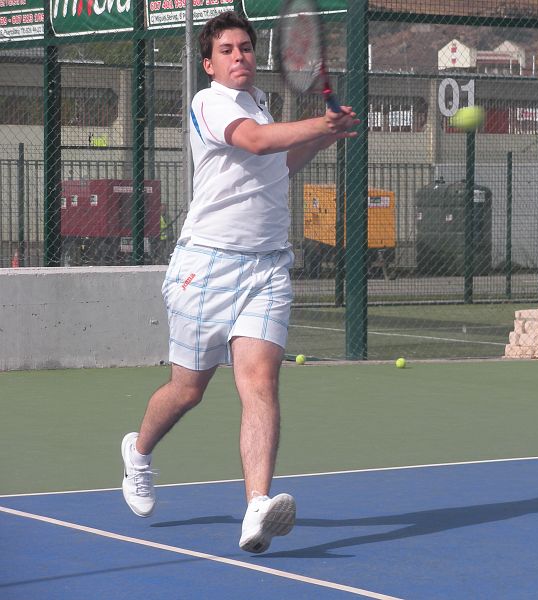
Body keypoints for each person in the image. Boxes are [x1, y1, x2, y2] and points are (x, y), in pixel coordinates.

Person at [120, 10, 359, 554]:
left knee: (260, 382)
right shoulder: (210, 104)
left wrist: (323, 139)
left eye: (246, 48)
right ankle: (138, 451)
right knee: (188, 390)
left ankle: (256, 508)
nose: (239, 56)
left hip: (268, 266)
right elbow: (254, 143)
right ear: (209, 63)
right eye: (226, 49)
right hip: (206, 265)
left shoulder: (260, 106)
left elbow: (278, 162)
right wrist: (319, 124)